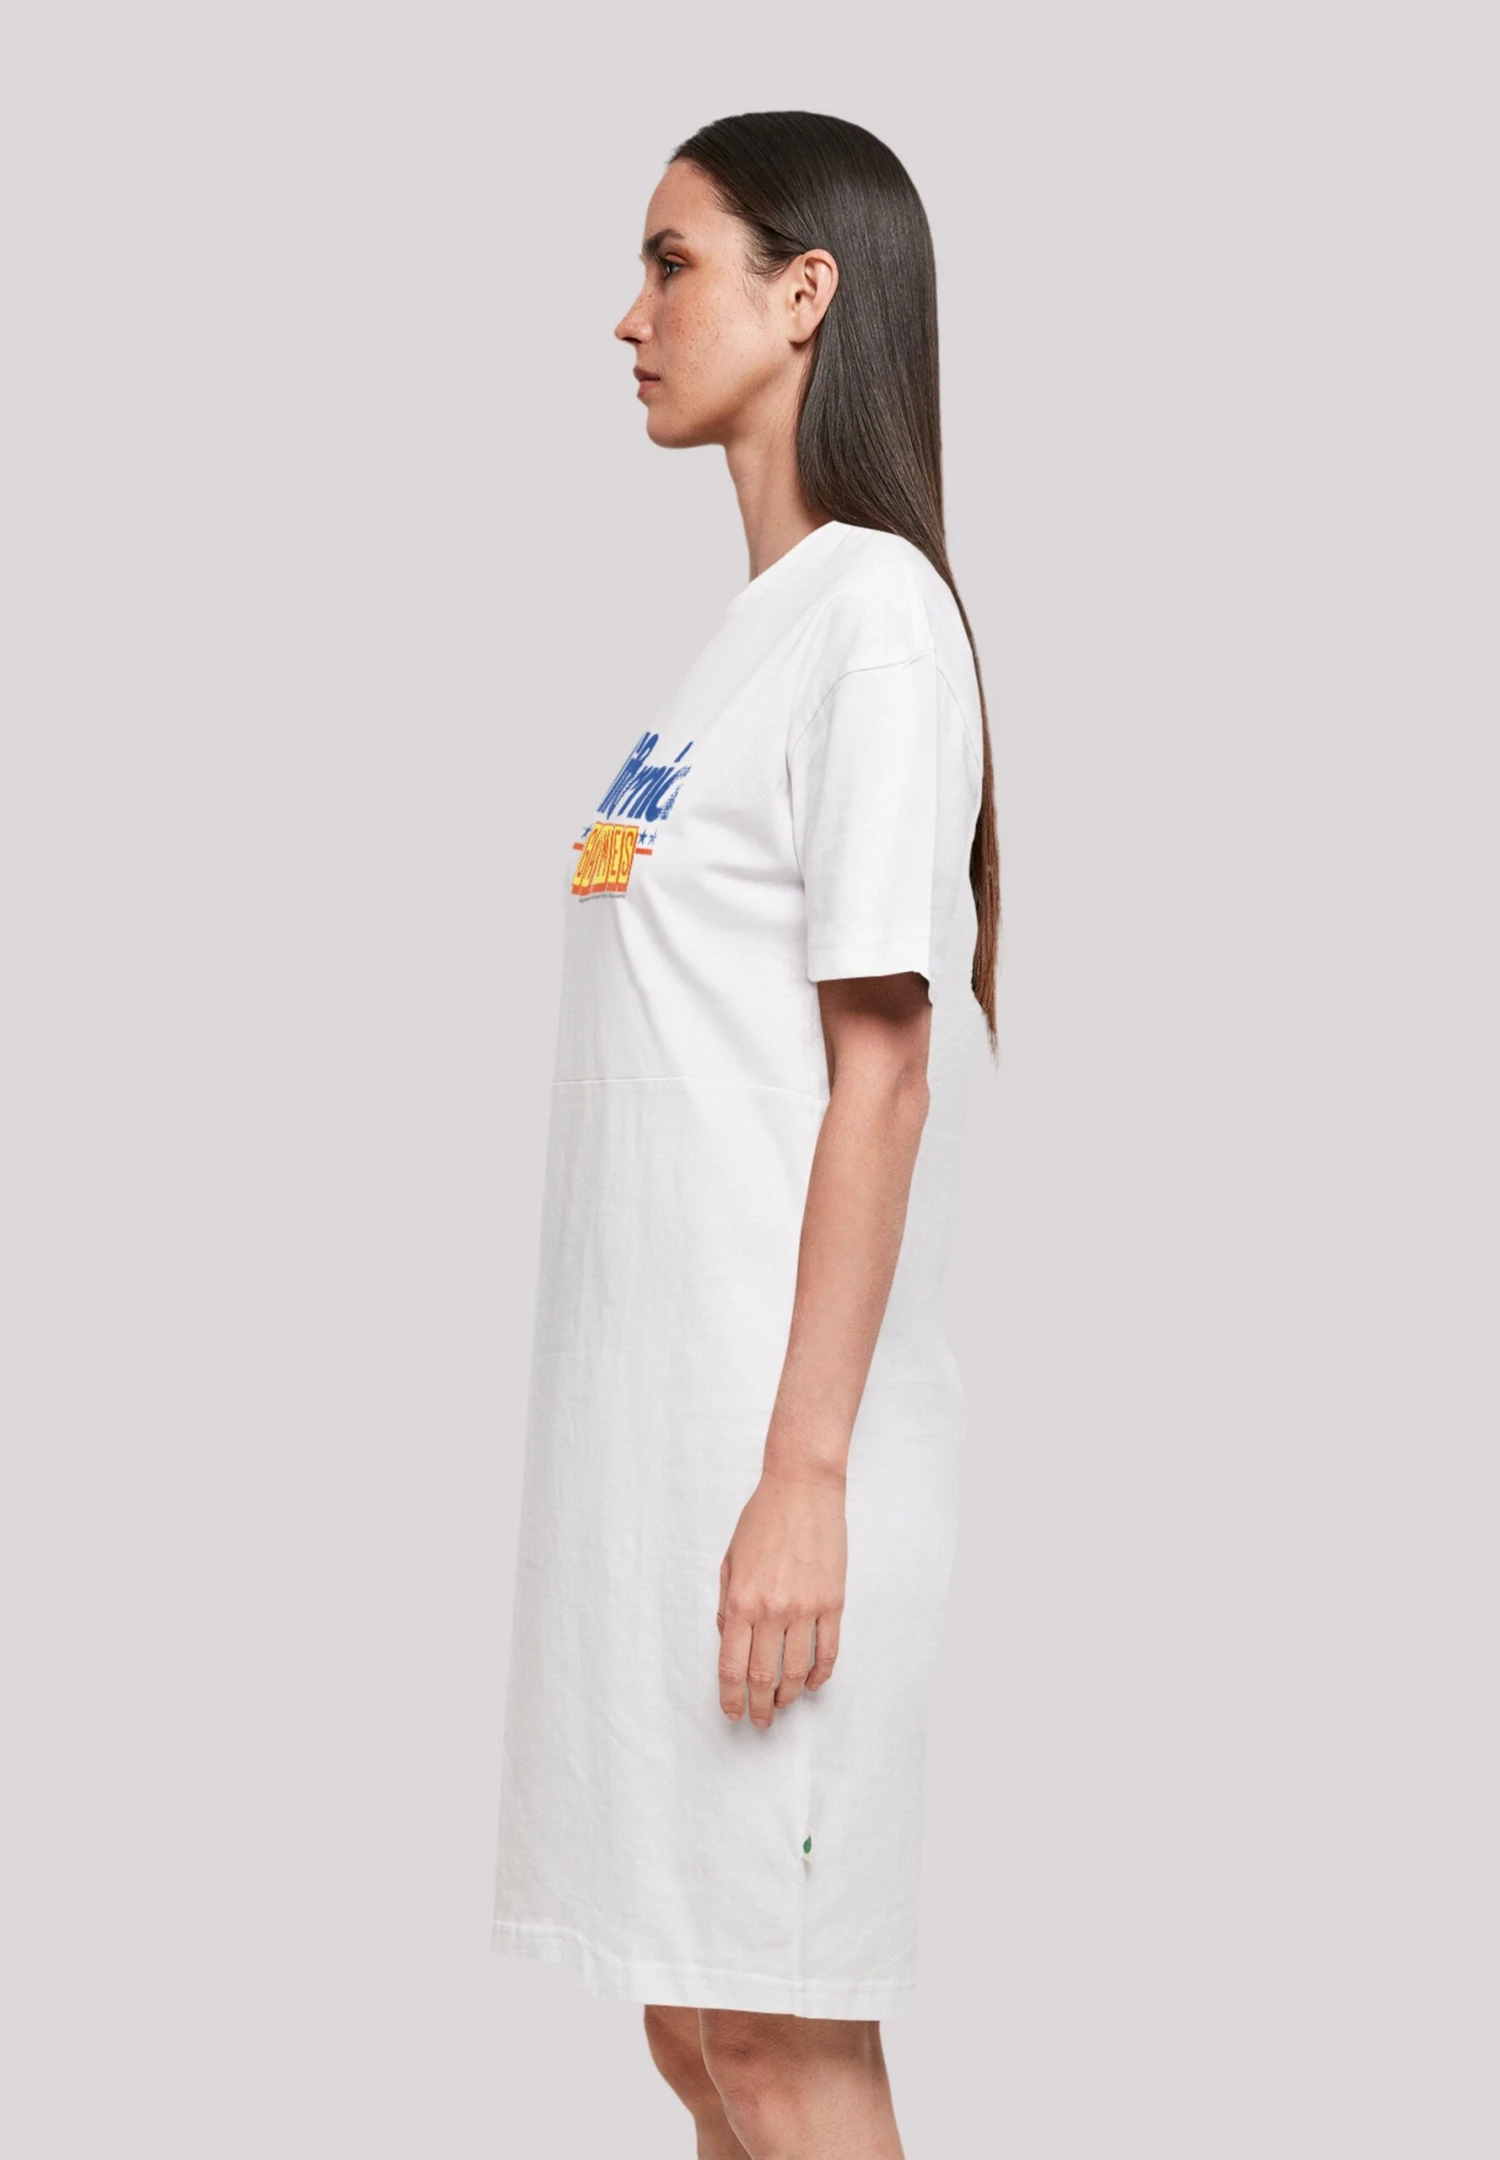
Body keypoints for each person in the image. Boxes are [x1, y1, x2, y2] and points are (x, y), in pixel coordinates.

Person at [490, 109, 1001, 2159]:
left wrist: (801, 1481)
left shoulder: (876, 617)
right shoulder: (748, 641)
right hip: (657, 1456)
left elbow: (887, 1068)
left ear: (807, 295)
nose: (628, 318)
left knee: (782, 2045)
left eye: (670, 263)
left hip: (775, 1460)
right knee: (696, 2029)